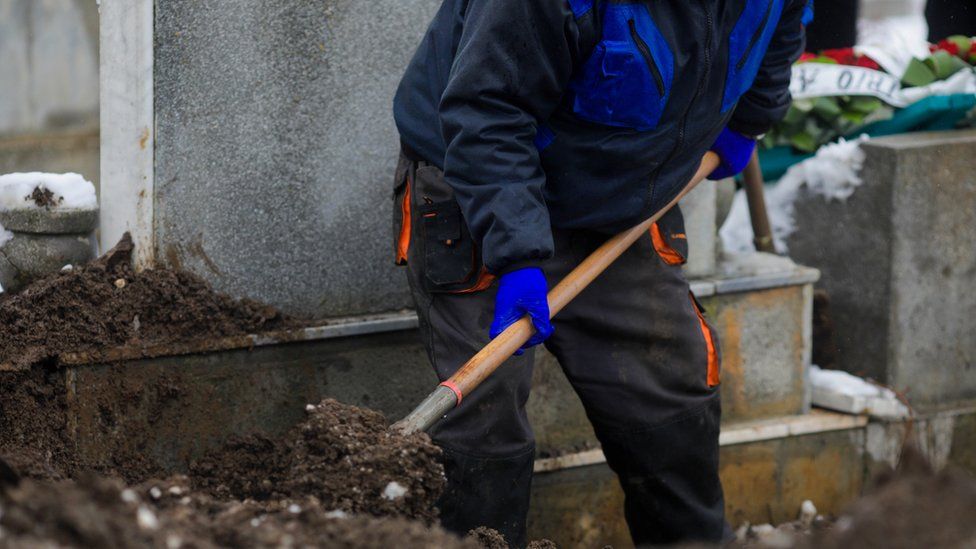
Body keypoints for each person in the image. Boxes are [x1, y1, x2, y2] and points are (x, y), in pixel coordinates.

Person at [391, 1, 807, 546]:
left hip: (621, 201)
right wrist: (517, 256)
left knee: (669, 386)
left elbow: (780, 23)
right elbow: (487, 112)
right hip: (481, 190)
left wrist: (751, 116)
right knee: (484, 425)